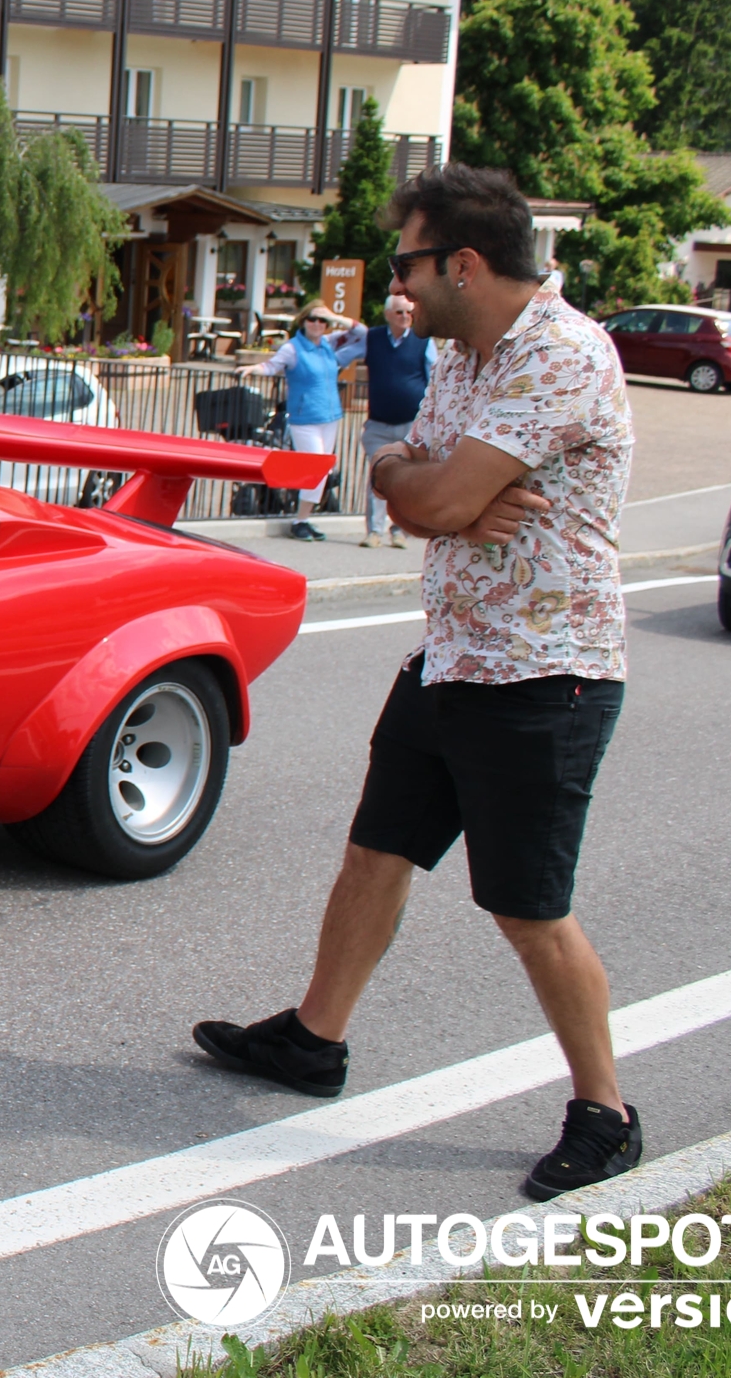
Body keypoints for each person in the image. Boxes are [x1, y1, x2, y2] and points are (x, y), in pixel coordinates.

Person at [191, 163, 639, 1203]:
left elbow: (428, 490)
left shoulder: (559, 355)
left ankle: (604, 1112)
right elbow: (400, 477)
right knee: (374, 854)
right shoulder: (462, 354)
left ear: (463, 263)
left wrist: (433, 493)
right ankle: (313, 1039)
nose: (395, 284)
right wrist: (426, 491)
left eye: (405, 262)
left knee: (528, 907)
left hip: (541, 672)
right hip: (451, 655)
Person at [238, 300, 364, 541]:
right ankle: (299, 520)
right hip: (305, 418)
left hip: (330, 416)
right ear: (303, 321)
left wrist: (335, 316)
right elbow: (273, 365)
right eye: (312, 319)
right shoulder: (293, 347)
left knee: (323, 470)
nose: (317, 324)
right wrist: (254, 368)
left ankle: (303, 519)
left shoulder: (328, 343)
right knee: (315, 467)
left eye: (322, 320)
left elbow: (361, 333)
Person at [357, 291, 432, 549]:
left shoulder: (424, 340)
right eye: (399, 312)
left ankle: (399, 530)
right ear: (388, 314)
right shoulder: (373, 338)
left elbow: (435, 377)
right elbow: (339, 356)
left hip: (410, 424)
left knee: (405, 480)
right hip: (378, 424)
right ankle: (374, 531)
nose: (405, 317)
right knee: (378, 477)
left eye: (409, 312)